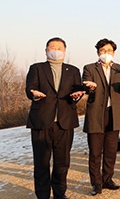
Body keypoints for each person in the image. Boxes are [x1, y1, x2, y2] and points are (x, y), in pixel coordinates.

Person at [25, 37, 86, 199]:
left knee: (62, 162)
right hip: (42, 121)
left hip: (64, 122)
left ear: (65, 52)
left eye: (59, 48)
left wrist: (77, 96)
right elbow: (29, 89)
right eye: (52, 47)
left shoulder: (73, 70)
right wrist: (34, 94)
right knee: (41, 162)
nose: (56, 50)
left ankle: (60, 193)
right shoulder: (36, 68)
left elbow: (77, 92)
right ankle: (43, 195)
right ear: (46, 50)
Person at [82, 38, 120, 196]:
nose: (106, 54)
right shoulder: (89, 68)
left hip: (113, 114)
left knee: (111, 150)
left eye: (109, 51)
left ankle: (107, 179)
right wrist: (90, 88)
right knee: (95, 152)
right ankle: (96, 183)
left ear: (114, 52)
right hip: (95, 114)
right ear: (98, 52)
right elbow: (86, 88)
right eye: (103, 51)